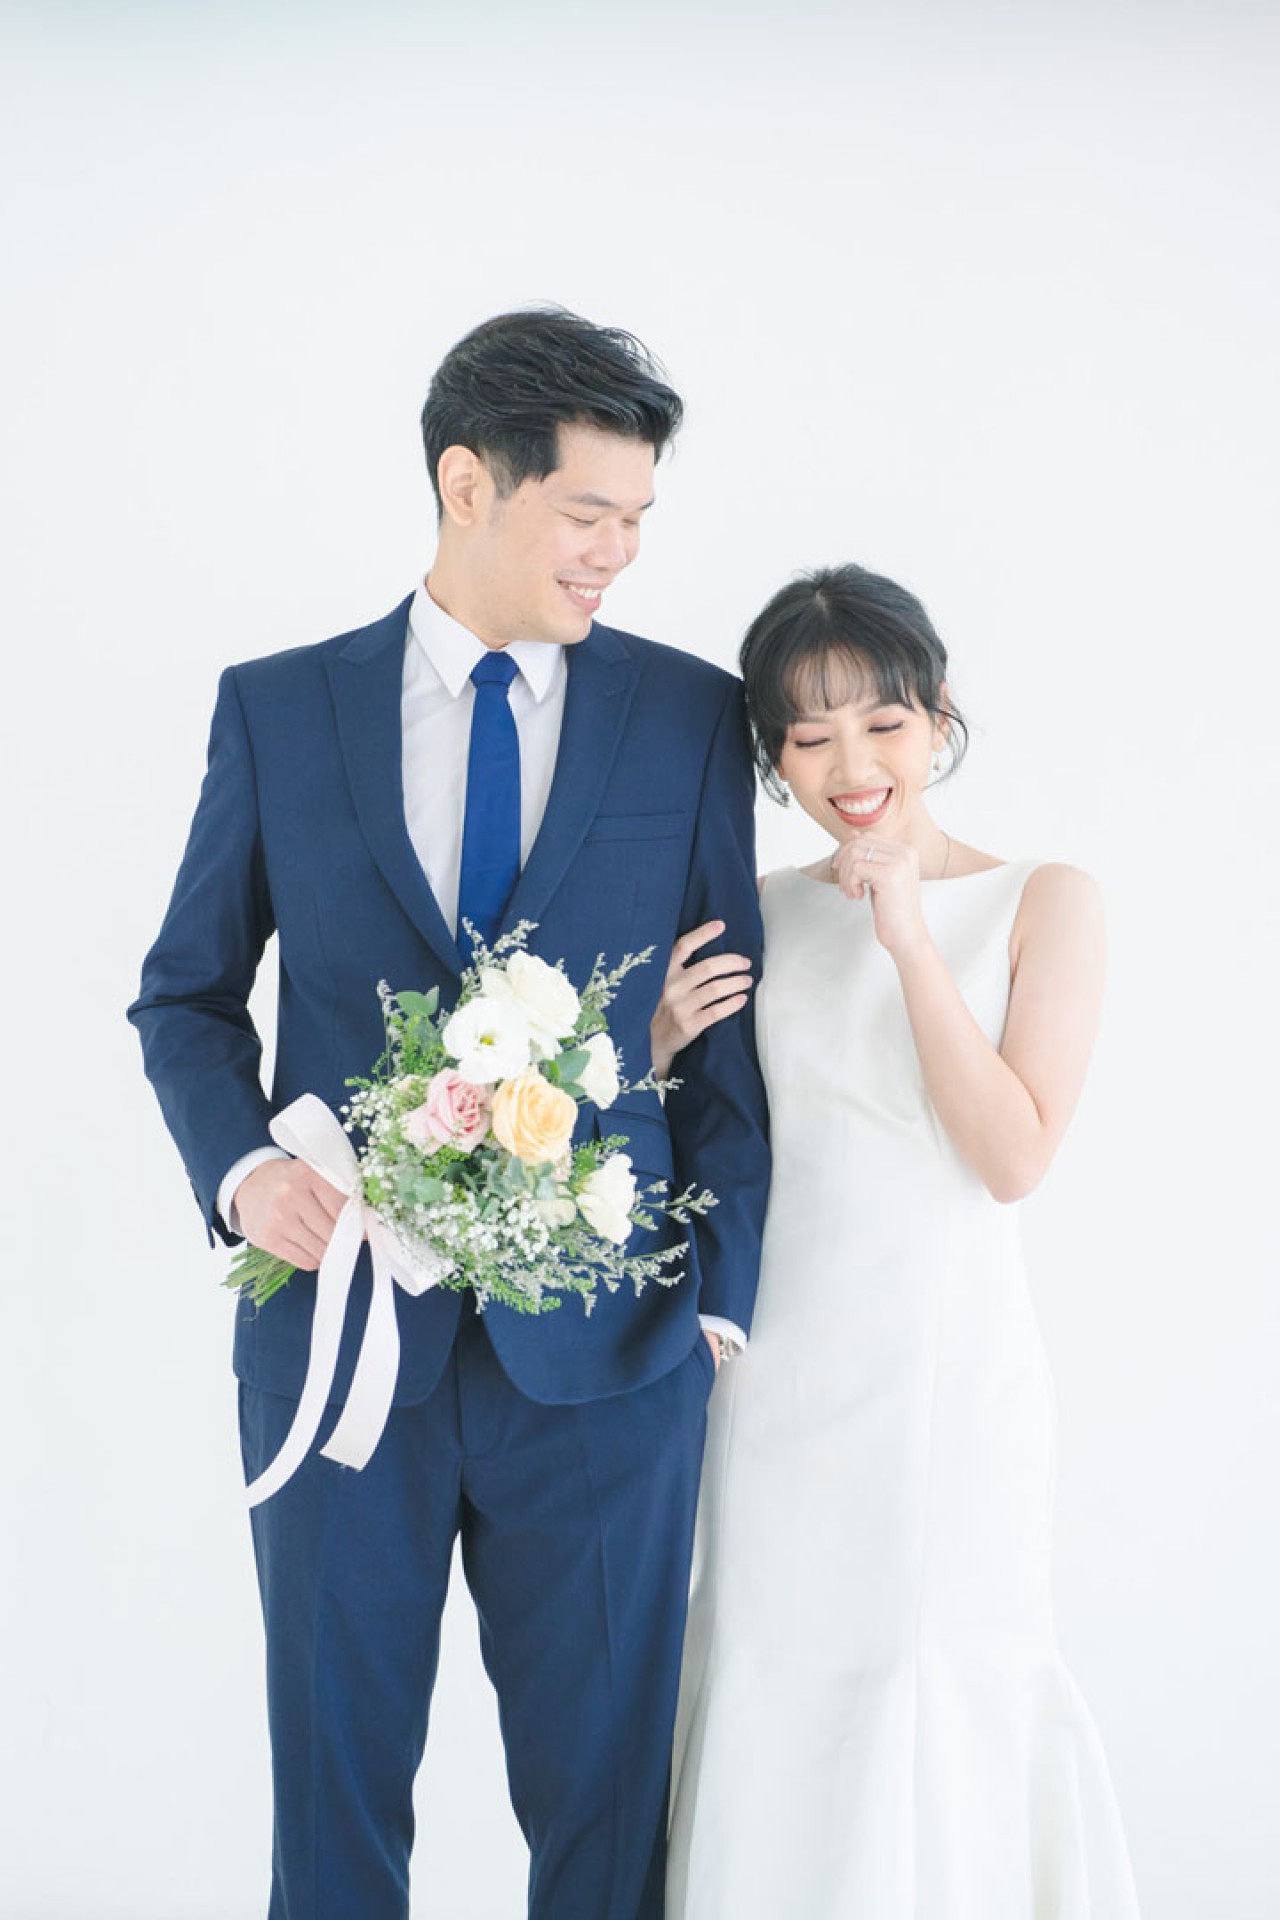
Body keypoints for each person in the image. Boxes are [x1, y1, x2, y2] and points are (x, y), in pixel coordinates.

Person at [128, 308, 770, 1919]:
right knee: (333, 1811)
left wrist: (720, 1309)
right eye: (588, 513)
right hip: (340, 1346)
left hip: (614, 1360)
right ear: (468, 483)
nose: (619, 553)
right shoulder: (280, 710)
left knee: (609, 1829)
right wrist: (241, 1170)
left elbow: (729, 1044)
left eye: (639, 519)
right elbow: (185, 998)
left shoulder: (690, 718)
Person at [656, 564, 1141, 1917]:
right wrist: (655, 1052)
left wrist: (912, 939)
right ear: (773, 757)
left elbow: (1012, 1156)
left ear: (937, 717)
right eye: (809, 738)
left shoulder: (1046, 897)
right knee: (770, 1668)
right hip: (777, 1377)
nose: (853, 766)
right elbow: (716, 1149)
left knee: (944, 1671)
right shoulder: (760, 907)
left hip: (949, 1378)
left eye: (882, 723)